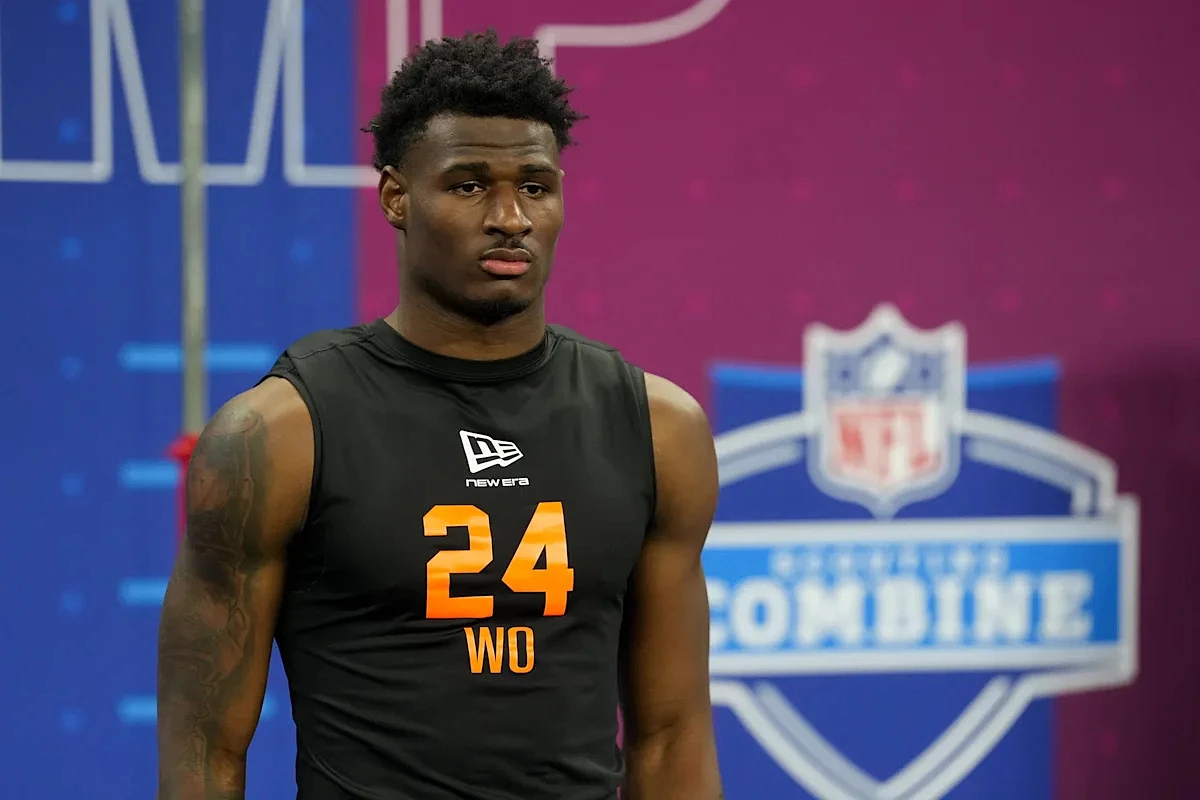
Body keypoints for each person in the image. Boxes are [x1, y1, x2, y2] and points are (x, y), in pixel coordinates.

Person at [156, 30, 723, 800]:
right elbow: (205, 754)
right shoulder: (280, 436)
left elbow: (672, 735)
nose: (510, 217)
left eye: (535, 186)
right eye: (468, 185)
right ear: (397, 197)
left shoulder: (657, 429)